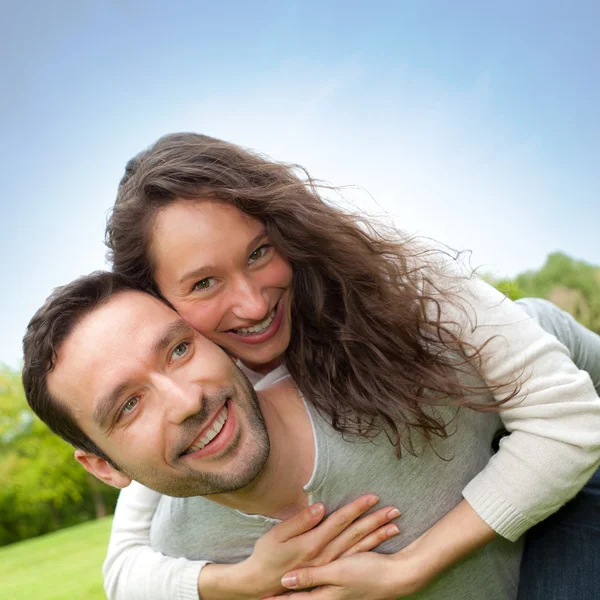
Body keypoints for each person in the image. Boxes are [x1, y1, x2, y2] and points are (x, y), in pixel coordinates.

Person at [22, 273, 600, 600]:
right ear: (103, 469)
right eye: (128, 406)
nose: (187, 400)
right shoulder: (182, 561)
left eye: (178, 349)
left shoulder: (403, 380)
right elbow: (122, 577)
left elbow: (544, 325)